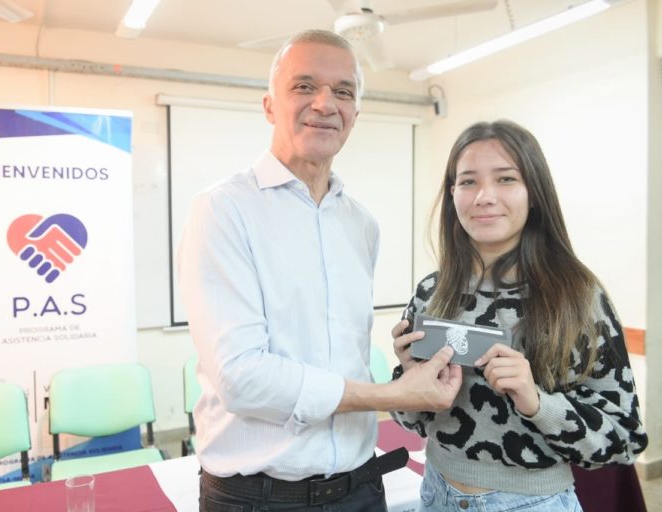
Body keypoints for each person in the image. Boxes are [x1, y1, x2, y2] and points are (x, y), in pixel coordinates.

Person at [177, 29, 462, 512]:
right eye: (304, 86)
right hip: (259, 499)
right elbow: (242, 378)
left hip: (360, 489)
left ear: (355, 114)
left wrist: (405, 365)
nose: (326, 103)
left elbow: (341, 350)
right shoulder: (224, 211)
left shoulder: (360, 224)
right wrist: (388, 394)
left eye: (344, 91)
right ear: (270, 105)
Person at [390, 120, 648, 511]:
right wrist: (409, 382)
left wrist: (537, 403)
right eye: (468, 182)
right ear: (452, 194)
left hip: (534, 502)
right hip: (436, 493)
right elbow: (412, 422)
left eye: (506, 179)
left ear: (535, 193)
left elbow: (624, 438)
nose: (484, 197)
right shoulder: (432, 291)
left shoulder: (578, 296)